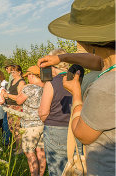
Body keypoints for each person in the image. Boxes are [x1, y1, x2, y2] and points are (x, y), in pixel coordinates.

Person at [37, 0, 115, 175]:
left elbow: (82, 134)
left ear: (90, 42)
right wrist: (62, 58)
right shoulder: (111, 66)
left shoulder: (104, 86)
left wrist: (77, 93)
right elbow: (101, 61)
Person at [38, 48, 73, 176]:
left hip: (56, 128)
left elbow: (43, 112)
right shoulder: (77, 80)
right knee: (75, 167)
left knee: (58, 168)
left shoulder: (52, 83)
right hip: (75, 127)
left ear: (52, 65)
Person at [16, 66, 46, 176]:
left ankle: (34, 174)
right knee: (40, 151)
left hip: (30, 124)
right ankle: (41, 174)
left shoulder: (30, 88)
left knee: (29, 152)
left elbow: (19, 101)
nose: (27, 78)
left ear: (32, 75)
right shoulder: (46, 86)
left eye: (28, 76)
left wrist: (22, 89)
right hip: (42, 122)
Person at [3, 65, 26, 154]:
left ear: (19, 72)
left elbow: (19, 97)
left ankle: (21, 149)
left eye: (14, 72)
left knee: (17, 128)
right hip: (9, 106)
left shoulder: (21, 82)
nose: (12, 74)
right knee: (12, 127)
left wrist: (8, 96)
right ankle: (17, 146)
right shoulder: (12, 81)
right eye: (11, 72)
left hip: (17, 107)